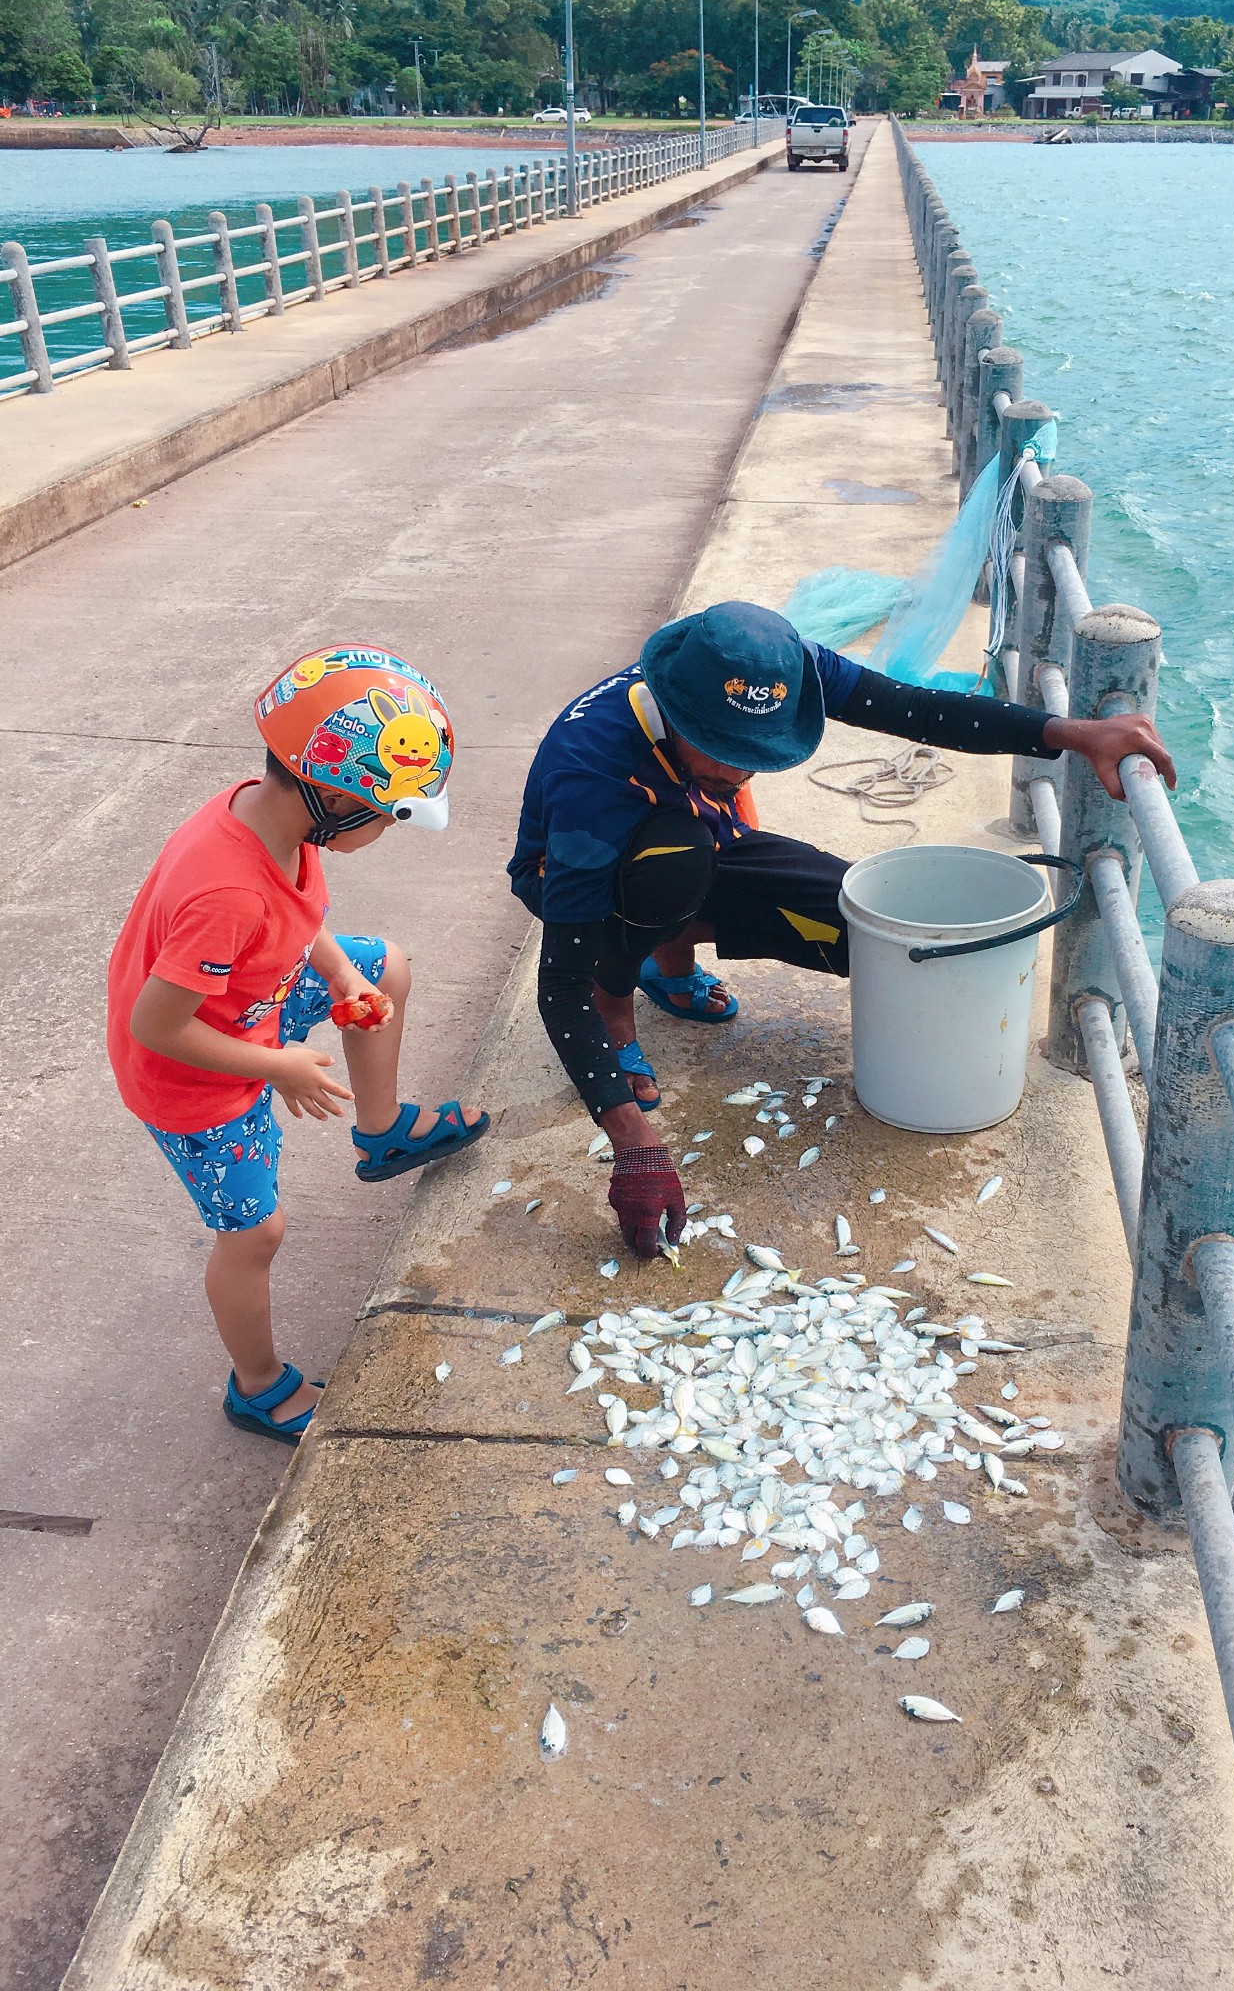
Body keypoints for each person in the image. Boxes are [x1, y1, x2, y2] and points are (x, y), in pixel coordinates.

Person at [509, 602, 1174, 1260]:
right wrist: (632, 1139)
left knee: (866, 933)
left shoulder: (776, 675)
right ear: (675, 709)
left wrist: (1072, 733)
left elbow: (919, 710)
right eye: (720, 752)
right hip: (592, 874)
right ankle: (623, 997)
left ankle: (664, 956)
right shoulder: (590, 774)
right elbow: (558, 987)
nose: (738, 771)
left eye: (753, 757)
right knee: (669, 864)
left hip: (698, 836)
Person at [107, 646, 488, 1448]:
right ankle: (257, 1388)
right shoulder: (226, 892)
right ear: (338, 800)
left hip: (253, 997)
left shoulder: (273, 816)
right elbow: (158, 1026)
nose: (387, 829)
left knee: (388, 968)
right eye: (388, 814)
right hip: (194, 1073)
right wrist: (278, 1064)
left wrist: (346, 978)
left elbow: (300, 914)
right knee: (255, 1234)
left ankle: (380, 1130)